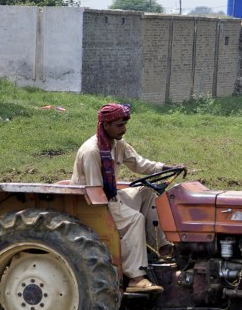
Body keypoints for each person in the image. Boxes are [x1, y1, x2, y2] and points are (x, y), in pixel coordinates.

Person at [72, 103, 182, 294]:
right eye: (119, 125)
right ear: (105, 125)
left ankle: (162, 249)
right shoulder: (92, 152)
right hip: (93, 202)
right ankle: (136, 278)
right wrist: (122, 209)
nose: (124, 129)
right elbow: (95, 191)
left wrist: (168, 168)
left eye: (124, 124)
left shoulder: (118, 144)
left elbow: (140, 164)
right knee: (134, 218)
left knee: (147, 192)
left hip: (111, 195)